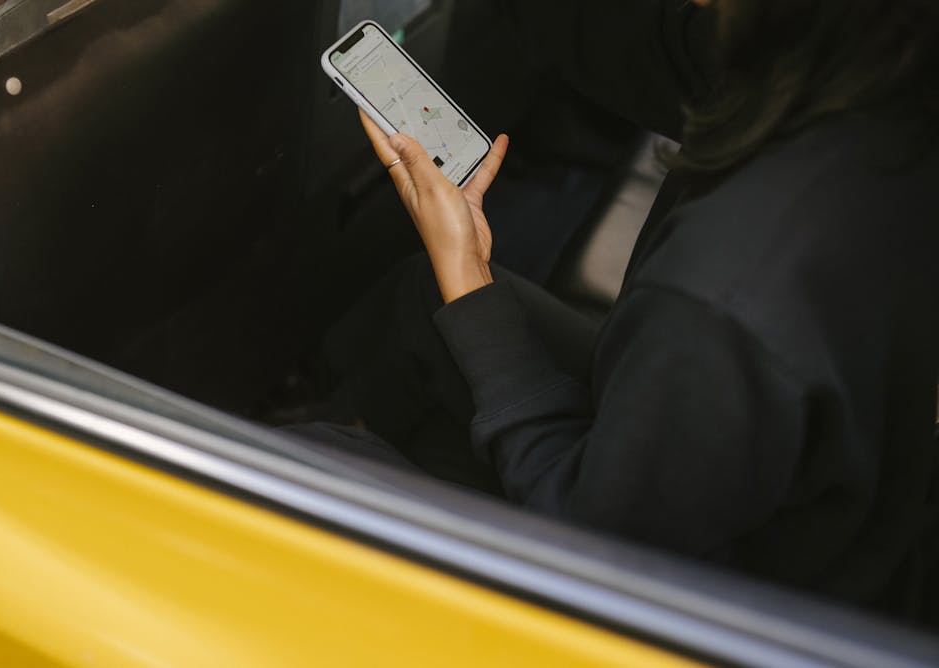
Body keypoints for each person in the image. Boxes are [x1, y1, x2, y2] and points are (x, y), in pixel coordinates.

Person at [291, 0, 939, 623]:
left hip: (691, 604)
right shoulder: (877, 91)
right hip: (830, 521)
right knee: (423, 300)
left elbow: (589, 548)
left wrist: (466, 268)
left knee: (303, 462)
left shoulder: (720, 302)